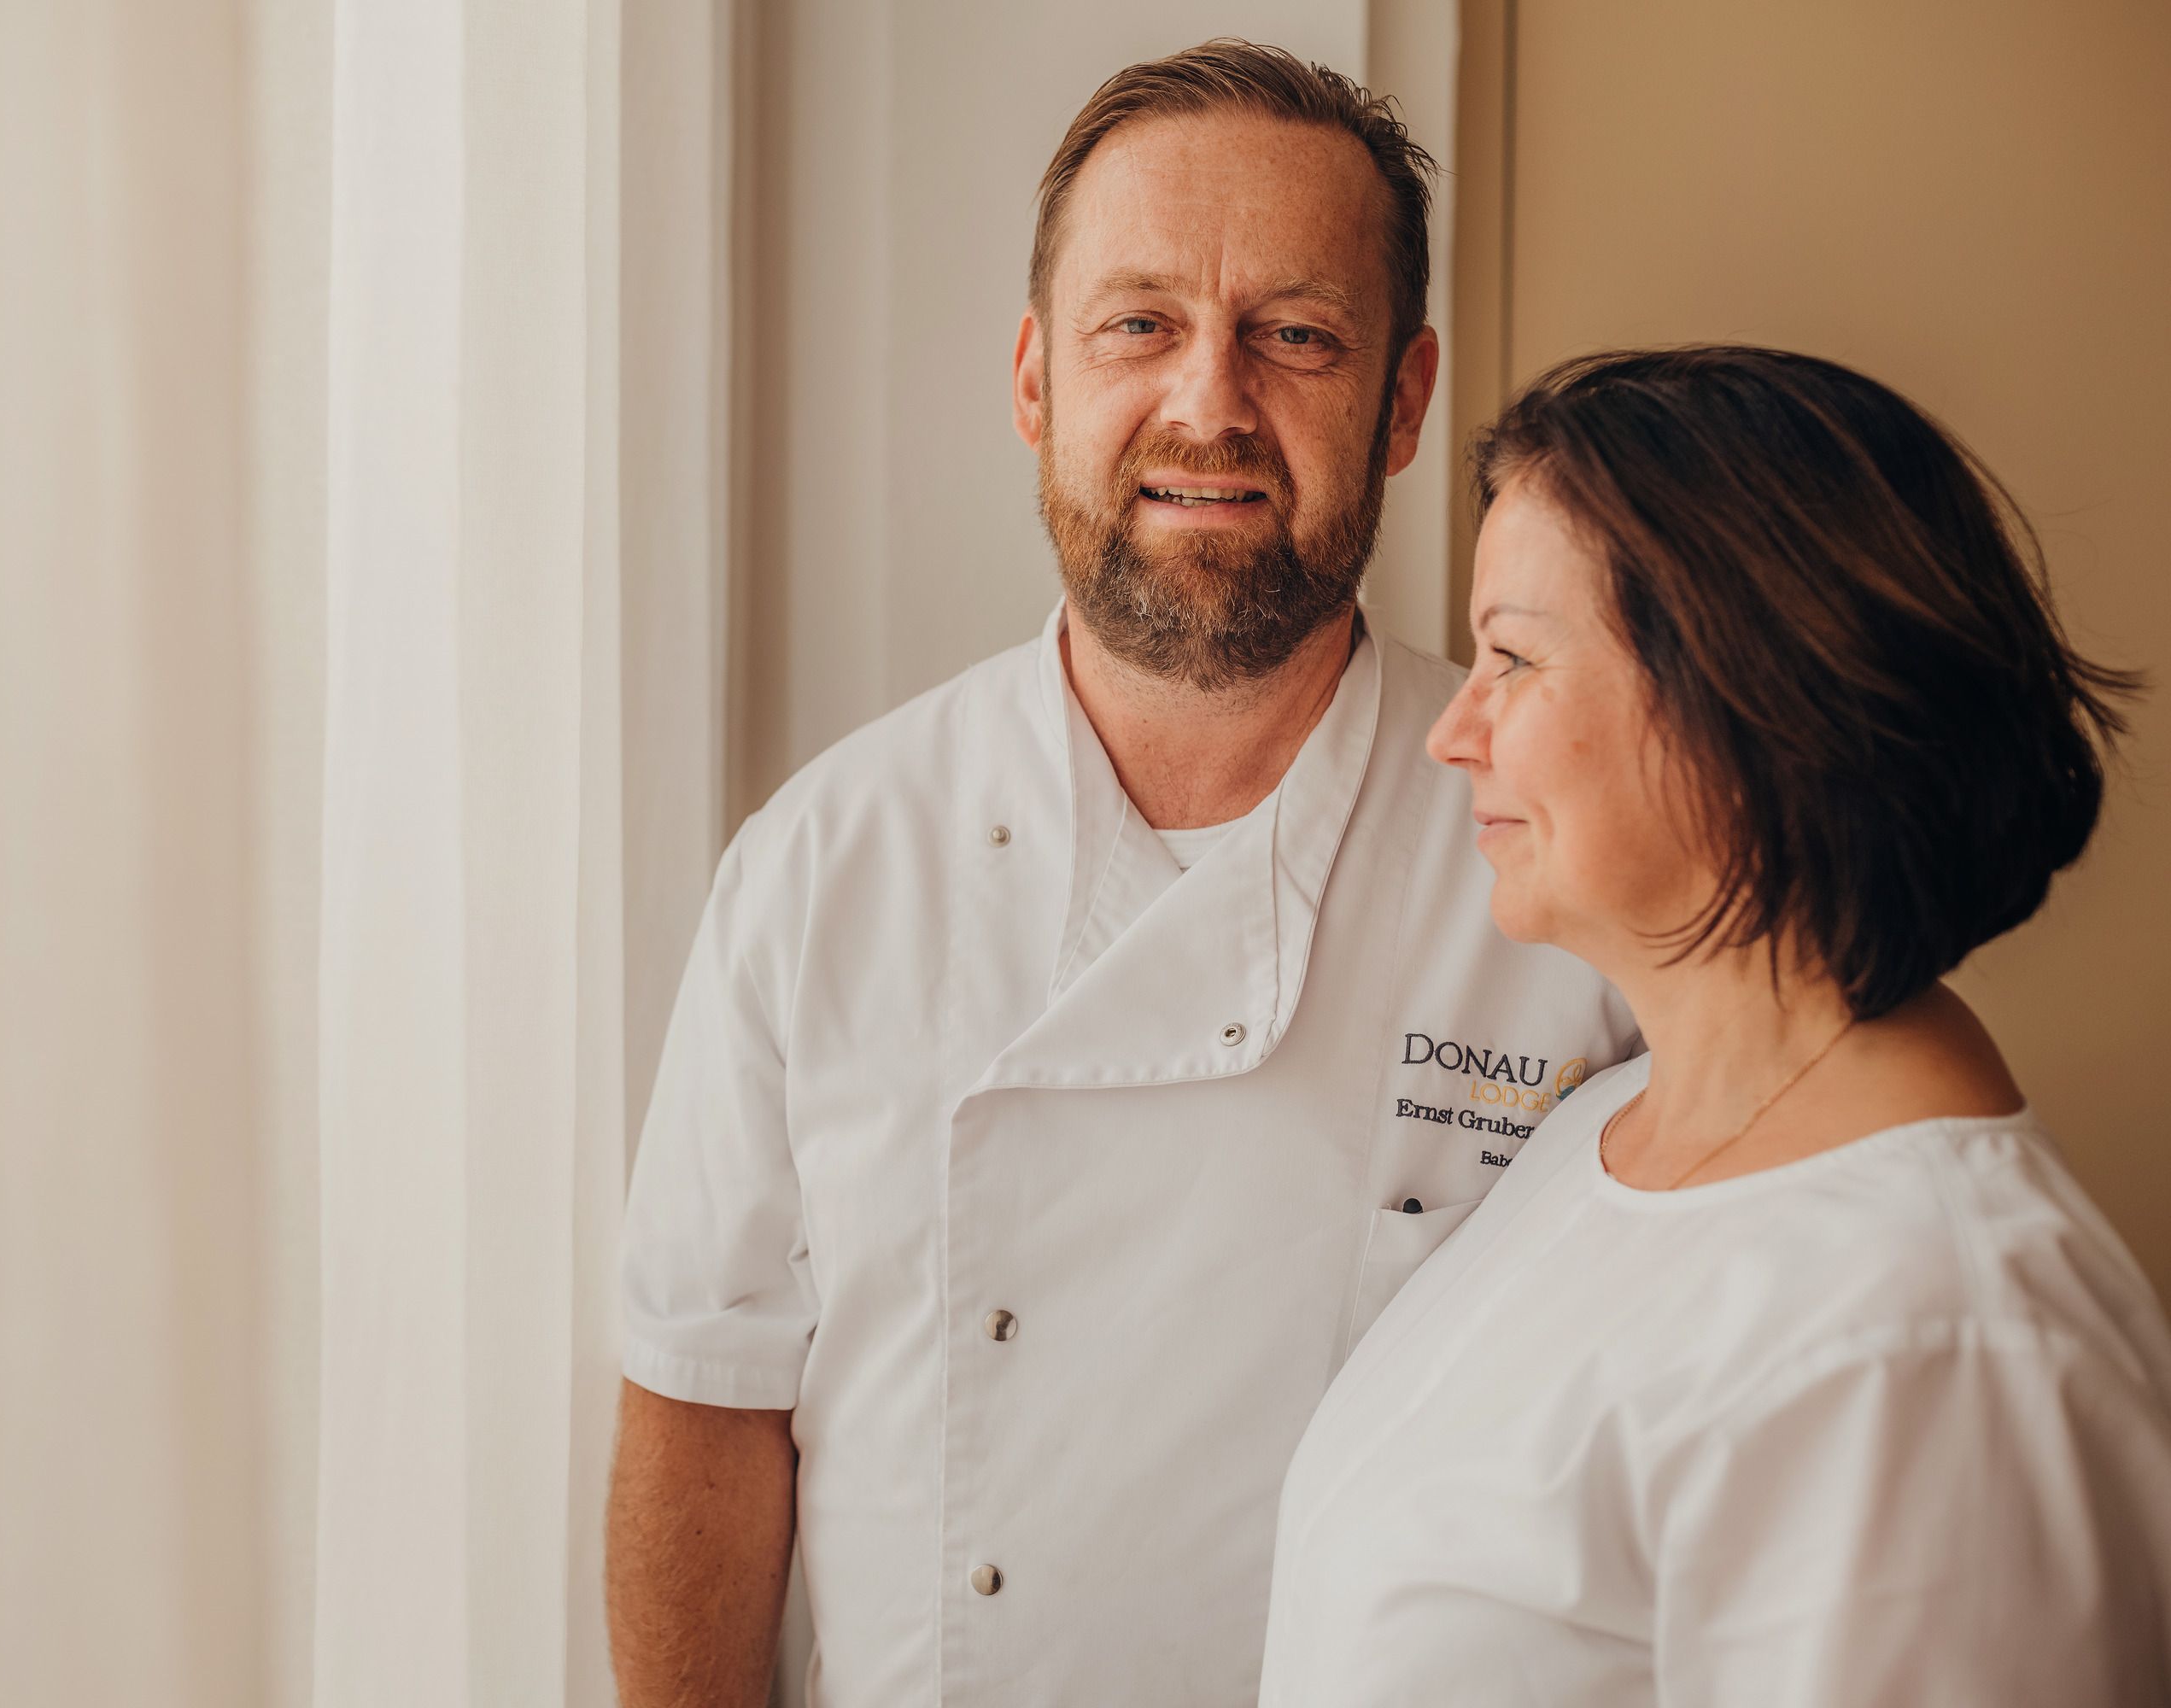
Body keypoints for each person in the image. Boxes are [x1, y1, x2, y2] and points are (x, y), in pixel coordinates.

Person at [606, 41, 1640, 1708]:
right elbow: (702, 1411)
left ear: (1405, 400)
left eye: (1295, 336)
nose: (1209, 401)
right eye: (1138, 324)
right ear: (1035, 381)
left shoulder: (1574, 863)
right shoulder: (823, 866)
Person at [1258, 345, 2171, 1705]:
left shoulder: (1929, 1345)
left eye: (1511, 657)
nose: (1456, 731)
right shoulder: (1595, 1138)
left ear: (1749, 704)